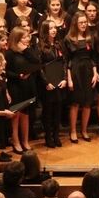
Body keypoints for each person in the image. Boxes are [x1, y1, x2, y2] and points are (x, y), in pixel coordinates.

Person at [64, 11, 99, 143]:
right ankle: (73, 131)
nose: (84, 25)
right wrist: (69, 79)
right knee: (75, 103)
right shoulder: (68, 39)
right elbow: (67, 60)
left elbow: (93, 57)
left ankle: (84, 130)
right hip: (75, 71)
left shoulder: (91, 37)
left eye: (85, 22)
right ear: (75, 24)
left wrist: (95, 73)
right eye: (81, 23)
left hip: (88, 71)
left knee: (87, 103)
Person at [4, 27, 39, 154]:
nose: (27, 39)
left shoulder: (28, 51)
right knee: (16, 115)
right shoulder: (9, 53)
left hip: (28, 86)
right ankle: (16, 141)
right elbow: (6, 72)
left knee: (26, 114)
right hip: (16, 86)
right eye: (24, 37)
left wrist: (26, 50)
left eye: (27, 36)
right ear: (16, 39)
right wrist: (18, 76)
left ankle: (25, 141)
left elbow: (37, 62)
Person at [37, 20, 66, 148]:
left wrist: (64, 78)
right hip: (47, 84)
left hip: (59, 82)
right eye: (50, 28)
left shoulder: (59, 44)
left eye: (55, 28)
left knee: (58, 110)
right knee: (48, 111)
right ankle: (48, 137)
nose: (54, 30)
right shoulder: (41, 47)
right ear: (45, 31)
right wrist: (46, 82)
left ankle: (56, 135)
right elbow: (39, 67)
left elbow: (64, 62)